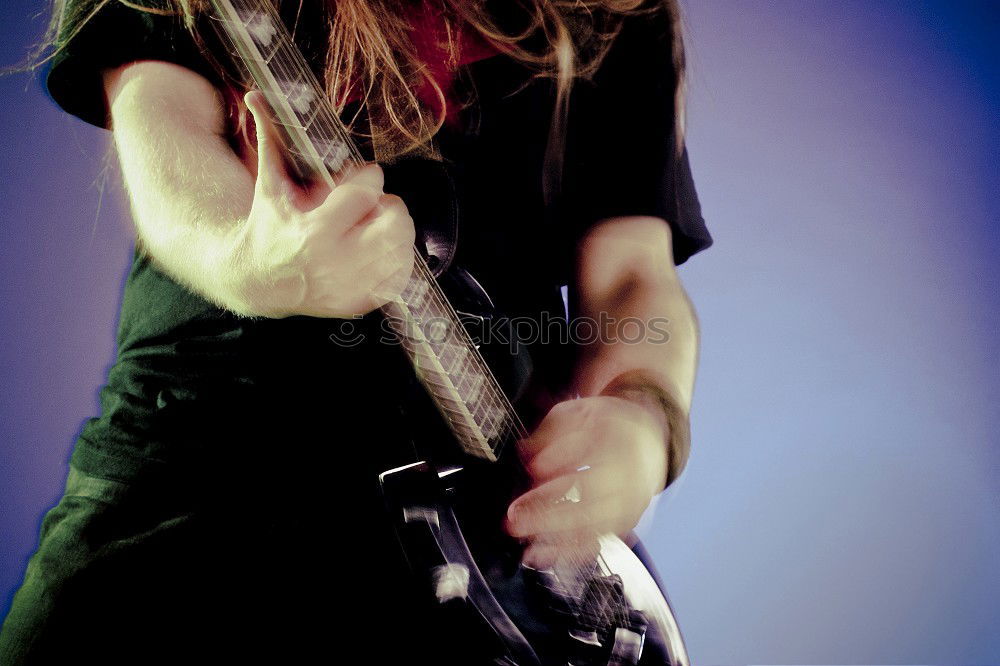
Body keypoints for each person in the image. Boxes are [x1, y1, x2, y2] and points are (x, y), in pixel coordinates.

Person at [1, 0, 712, 662]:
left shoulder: (620, 13)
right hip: (201, 491)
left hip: (497, 555)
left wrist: (643, 418)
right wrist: (253, 260)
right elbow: (162, 128)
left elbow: (632, 275)